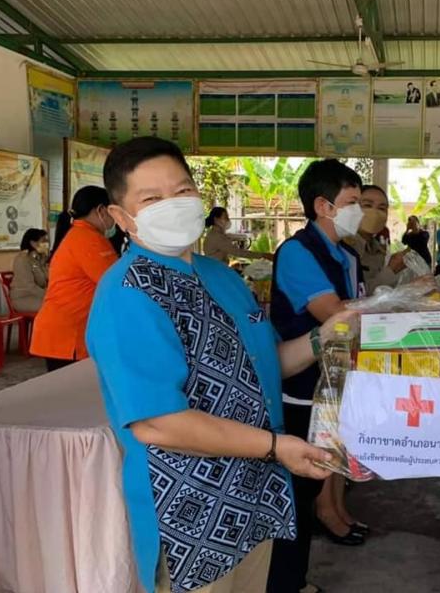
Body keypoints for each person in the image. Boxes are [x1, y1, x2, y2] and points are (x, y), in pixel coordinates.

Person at [88, 136, 353, 593]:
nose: (172, 205)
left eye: (182, 190)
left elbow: (266, 366)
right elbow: (158, 423)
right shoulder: (127, 294)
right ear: (121, 216)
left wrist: (326, 334)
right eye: (151, 199)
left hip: (254, 496)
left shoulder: (221, 277)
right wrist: (277, 446)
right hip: (189, 513)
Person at [269, 159, 368, 593]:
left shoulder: (346, 253)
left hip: (333, 381)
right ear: (323, 206)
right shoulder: (297, 252)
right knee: (294, 494)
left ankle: (295, 579)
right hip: (300, 387)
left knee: (316, 480)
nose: (359, 211)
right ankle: (288, 582)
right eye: (353, 202)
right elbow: (335, 315)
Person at [30, 186, 118, 372]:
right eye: (114, 211)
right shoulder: (89, 240)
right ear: (101, 210)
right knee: (72, 389)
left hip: (64, 330)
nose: (116, 218)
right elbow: (117, 283)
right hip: (67, 333)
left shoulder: (80, 235)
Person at [347, 184, 407, 294]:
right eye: (367, 205)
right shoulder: (344, 247)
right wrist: (391, 270)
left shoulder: (378, 249)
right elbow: (355, 296)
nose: (375, 213)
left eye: (382, 208)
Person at [203, 206, 272, 264]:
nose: (228, 220)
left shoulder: (215, 234)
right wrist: (263, 255)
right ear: (216, 220)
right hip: (217, 270)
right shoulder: (217, 237)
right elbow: (238, 252)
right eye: (225, 218)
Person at [10, 228, 49, 312]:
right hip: (23, 298)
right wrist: (49, 295)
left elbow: (47, 278)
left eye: (47, 241)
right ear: (33, 243)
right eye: (43, 241)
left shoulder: (40, 259)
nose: (47, 244)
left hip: (38, 295)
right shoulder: (22, 259)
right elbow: (29, 287)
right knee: (53, 307)